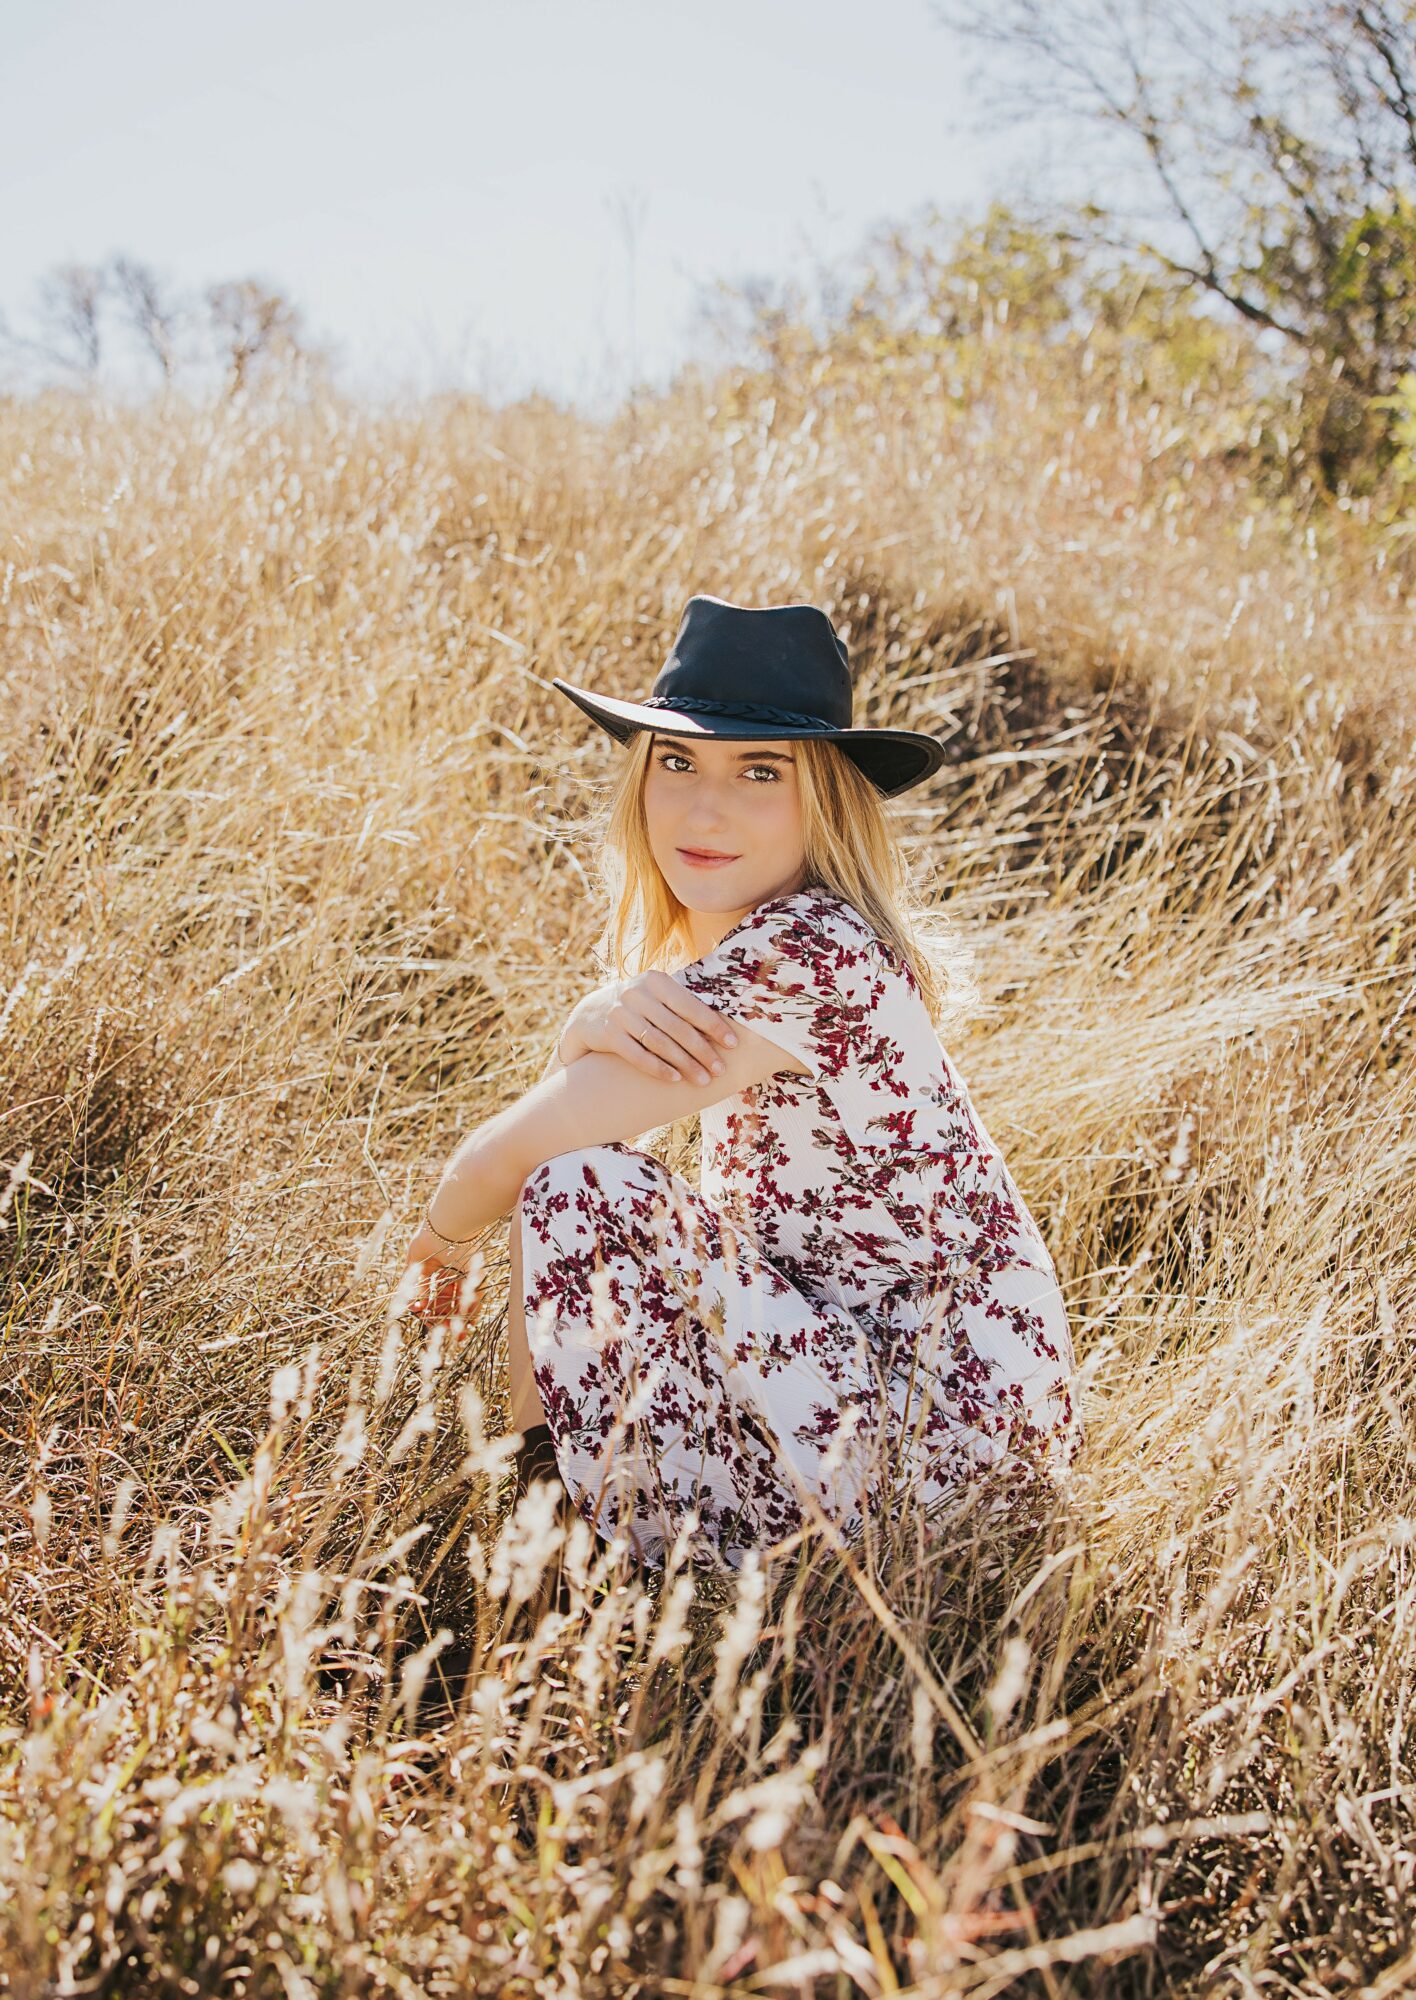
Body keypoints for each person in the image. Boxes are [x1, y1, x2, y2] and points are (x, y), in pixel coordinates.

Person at [400, 594, 1082, 1578]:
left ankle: (549, 1561)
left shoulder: (812, 951)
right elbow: (573, 1132)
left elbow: (514, 1157)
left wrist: (441, 1240)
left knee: (576, 1187)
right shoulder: (777, 948)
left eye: (760, 771)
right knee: (579, 1184)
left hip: (942, 1460)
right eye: (677, 762)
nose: (704, 808)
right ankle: (562, 1545)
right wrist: (581, 1028)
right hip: (879, 1409)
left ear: (825, 802)